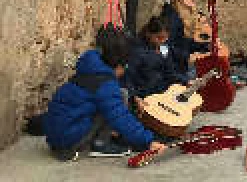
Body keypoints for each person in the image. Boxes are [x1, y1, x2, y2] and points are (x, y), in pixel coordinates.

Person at [43, 25, 166, 161]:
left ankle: (100, 138)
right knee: (116, 102)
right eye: (125, 66)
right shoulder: (104, 84)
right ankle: (100, 144)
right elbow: (121, 117)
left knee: (120, 94)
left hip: (58, 134)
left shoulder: (90, 68)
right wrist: (148, 141)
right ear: (118, 65)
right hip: (67, 141)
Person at [124, 16, 189, 100]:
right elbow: (129, 77)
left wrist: (186, 81)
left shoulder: (164, 47)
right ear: (148, 34)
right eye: (159, 38)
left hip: (164, 91)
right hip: (146, 94)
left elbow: (170, 72)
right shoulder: (138, 52)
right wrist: (134, 97)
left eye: (166, 38)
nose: (163, 41)